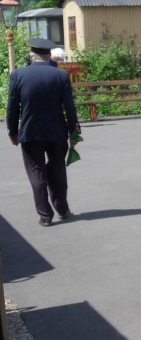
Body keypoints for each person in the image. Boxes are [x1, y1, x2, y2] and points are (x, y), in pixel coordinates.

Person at [5, 38, 81, 226]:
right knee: (57, 170)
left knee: (36, 172)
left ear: (31, 55)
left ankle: (45, 216)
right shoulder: (60, 75)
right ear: (48, 56)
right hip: (56, 132)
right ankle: (62, 209)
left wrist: (12, 131)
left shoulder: (18, 75)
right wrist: (73, 130)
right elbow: (69, 106)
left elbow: (12, 107)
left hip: (30, 132)